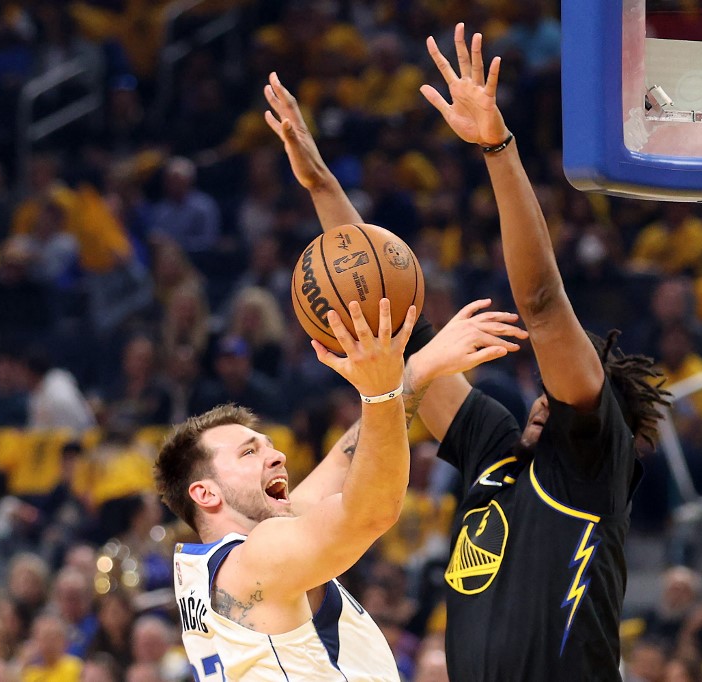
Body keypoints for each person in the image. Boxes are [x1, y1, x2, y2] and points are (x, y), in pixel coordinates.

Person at [262, 21, 668, 680]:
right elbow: (393, 323)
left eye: (557, 396)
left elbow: (538, 304)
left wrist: (497, 147)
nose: (543, 399)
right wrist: (321, 186)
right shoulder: (494, 454)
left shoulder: (592, 461)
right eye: (542, 394)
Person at [154, 298, 419, 680]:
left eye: (269, 445)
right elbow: (372, 511)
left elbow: (345, 462)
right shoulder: (258, 557)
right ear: (206, 493)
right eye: (249, 452)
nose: (277, 456)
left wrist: (417, 372)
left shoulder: (213, 566)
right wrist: (380, 393)